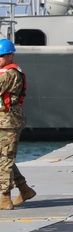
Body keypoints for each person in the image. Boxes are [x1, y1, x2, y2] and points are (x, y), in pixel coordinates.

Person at [0, 39, 34, 210]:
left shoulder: (9, 74)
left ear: (10, 56)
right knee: (5, 158)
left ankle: (5, 198)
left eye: (1, 56)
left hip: (8, 123)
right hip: (4, 121)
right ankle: (24, 189)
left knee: (5, 159)